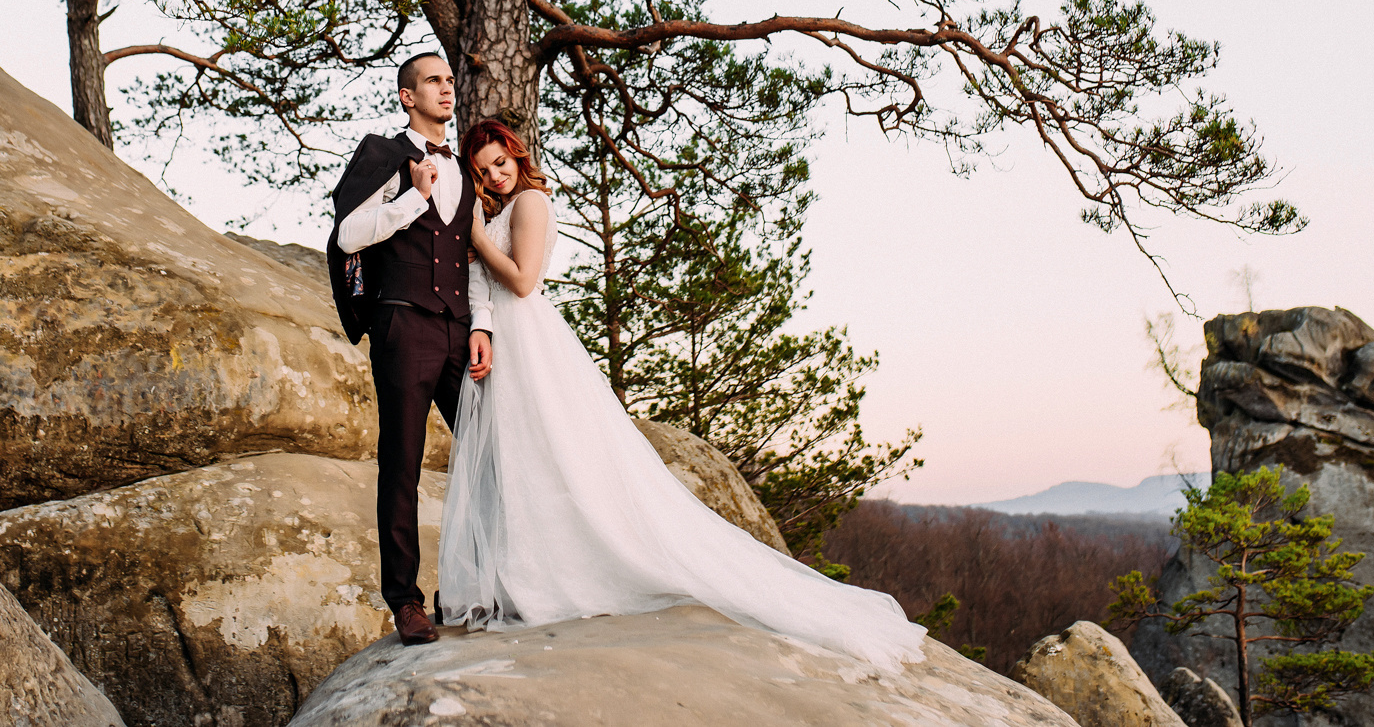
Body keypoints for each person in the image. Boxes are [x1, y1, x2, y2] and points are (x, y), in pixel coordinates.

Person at [435, 118, 927, 672]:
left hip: (532, 342)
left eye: (501, 163)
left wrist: (475, 237)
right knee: (525, 462)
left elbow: (523, 282)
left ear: (517, 156)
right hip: (510, 343)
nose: (496, 176)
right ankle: (524, 570)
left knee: (552, 459)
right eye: (484, 171)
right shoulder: (502, 209)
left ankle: (553, 575)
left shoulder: (529, 203)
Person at [326, 52, 494, 647]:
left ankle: (468, 587)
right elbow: (346, 234)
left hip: (458, 330)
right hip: (403, 328)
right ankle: (405, 601)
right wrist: (410, 199)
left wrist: (482, 326)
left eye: (450, 81)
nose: (446, 90)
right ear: (407, 96)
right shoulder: (383, 153)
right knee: (402, 463)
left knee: (486, 458)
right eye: (433, 82)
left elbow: (469, 257)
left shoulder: (466, 169)